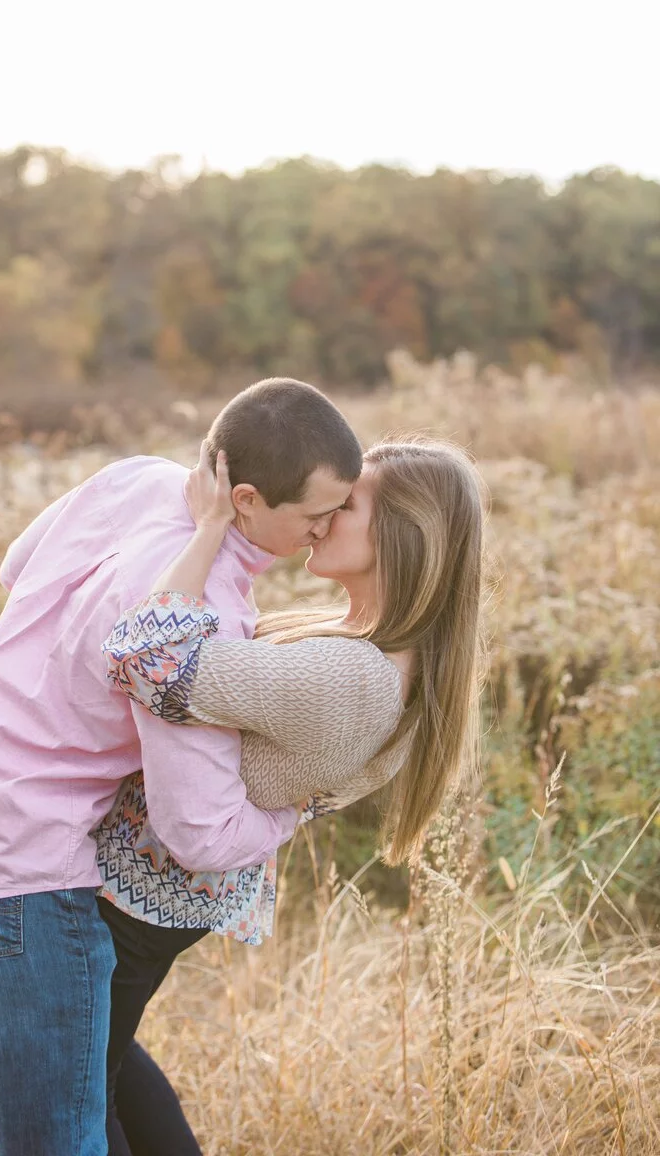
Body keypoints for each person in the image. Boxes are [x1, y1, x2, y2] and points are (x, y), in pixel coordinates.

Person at [0, 378, 363, 1156]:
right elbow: (198, 833)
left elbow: (17, 568)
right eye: (315, 515)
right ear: (245, 498)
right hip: (23, 877)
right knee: (61, 1136)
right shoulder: (203, 618)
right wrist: (299, 805)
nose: (328, 528)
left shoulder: (135, 476)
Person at [97, 434, 486, 1154]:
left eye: (347, 503)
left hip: (144, 889)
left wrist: (211, 526)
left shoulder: (353, 678)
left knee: (78, 1082)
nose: (324, 515)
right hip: (166, 881)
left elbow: (150, 662)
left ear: (403, 534)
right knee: (105, 1065)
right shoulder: (361, 646)